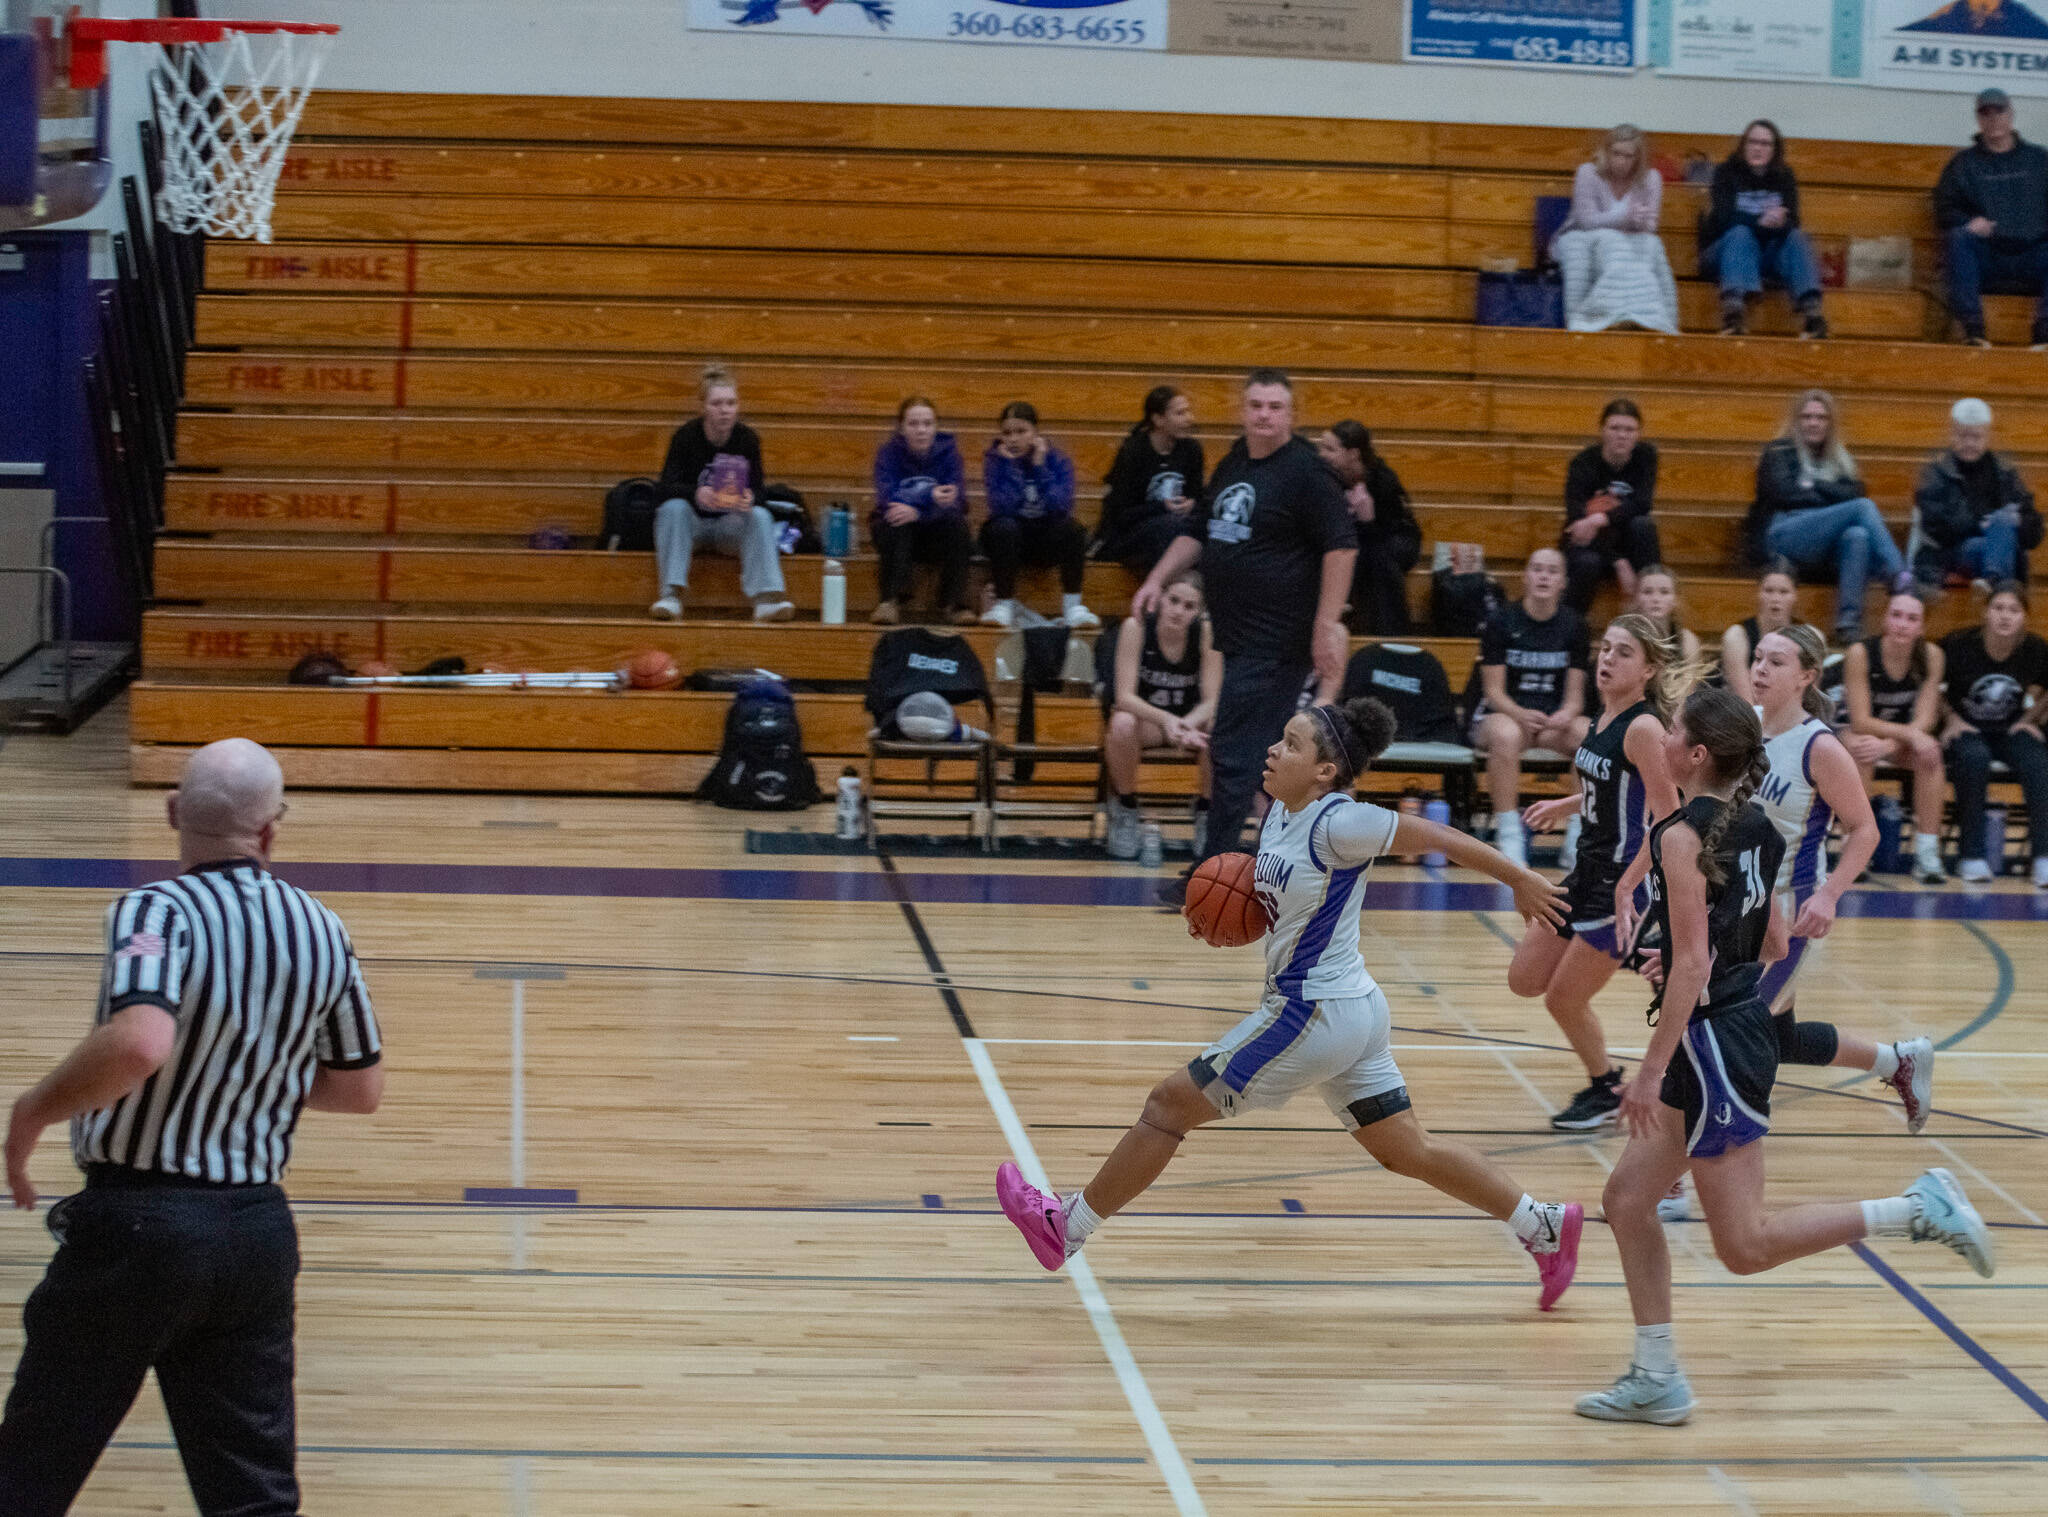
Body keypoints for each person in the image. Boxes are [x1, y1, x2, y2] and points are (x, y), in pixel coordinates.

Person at [996, 698, 1589, 1313]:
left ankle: (1065, 1228)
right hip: (1352, 1009)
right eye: (1280, 737)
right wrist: (1202, 909)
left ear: (1326, 770)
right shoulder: (1281, 810)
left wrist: (1519, 878)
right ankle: (1543, 1224)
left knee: (1167, 1105)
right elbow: (1264, 891)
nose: (1275, 750)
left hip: (1313, 1013)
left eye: (1292, 743)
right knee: (1407, 1149)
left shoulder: (1342, 821)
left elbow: (1438, 836)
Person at [1574, 685, 1993, 1427]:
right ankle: (1656, 1374)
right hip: (1732, 1027)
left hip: (1713, 1047)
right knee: (1627, 1200)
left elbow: (1699, 965)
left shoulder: (1681, 834)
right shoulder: (1763, 825)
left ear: (1696, 754)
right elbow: (1770, 943)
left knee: (1745, 1244)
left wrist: (1644, 1068)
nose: (1663, 735)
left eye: (1673, 729)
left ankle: (1916, 1208)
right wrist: (1683, 956)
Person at [0, 739, 384, 1515]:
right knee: (252, 1495)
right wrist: (252, 1064)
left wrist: (32, 1109)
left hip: (138, 1228)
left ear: (174, 811)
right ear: (271, 829)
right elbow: (358, 1087)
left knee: (30, 1473)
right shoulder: (323, 928)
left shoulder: (154, 909)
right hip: (256, 1234)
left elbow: (142, 1042)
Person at [1132, 369, 1357, 905]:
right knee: (1253, 756)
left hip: (1277, 640)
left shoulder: (1307, 472)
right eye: (1255, 404)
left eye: (1275, 406)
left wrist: (1326, 625)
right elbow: (1199, 531)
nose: (1264, 414)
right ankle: (1275, 866)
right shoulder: (1236, 458)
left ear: (1291, 413)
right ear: (1242, 408)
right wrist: (1156, 578)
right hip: (1237, 636)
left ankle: (1213, 874)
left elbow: (1341, 547)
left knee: (1235, 754)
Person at [1746, 625, 1934, 1127]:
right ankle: (1898, 1061)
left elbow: (1864, 831)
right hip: (1739, 904)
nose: (1760, 668)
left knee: (1736, 1028)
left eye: (1775, 662)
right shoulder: (1744, 728)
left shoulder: (1820, 747)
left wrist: (1828, 897)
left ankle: (1702, 1159)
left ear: (1807, 676)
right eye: (1757, 658)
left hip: (1790, 912)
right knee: (1777, 1036)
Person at [1510, 615, 1684, 1132]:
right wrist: (1568, 805)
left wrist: (1632, 883)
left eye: (1623, 652)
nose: (1607, 659)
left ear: (1649, 667)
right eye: (1605, 648)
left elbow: (1668, 816)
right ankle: (1644, 957)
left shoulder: (1644, 727)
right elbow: (1612, 789)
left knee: (1565, 997)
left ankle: (1605, 1086)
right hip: (1586, 870)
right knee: (1524, 979)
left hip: (1620, 883)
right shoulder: (1603, 718)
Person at [1744, 390, 1906, 643]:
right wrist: (1831, 494)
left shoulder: (1840, 458)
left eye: (1820, 418)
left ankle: (1848, 623)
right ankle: (1899, 576)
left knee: (1858, 535)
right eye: (1807, 417)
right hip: (1784, 535)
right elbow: (1782, 493)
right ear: (1796, 421)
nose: (1813, 423)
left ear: (1830, 423)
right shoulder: (1778, 451)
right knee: (1862, 508)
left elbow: (1855, 490)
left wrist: (1812, 486)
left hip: (1824, 546)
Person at [1471, 548, 1591, 867]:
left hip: (1551, 724)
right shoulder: (1500, 622)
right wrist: (1521, 714)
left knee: (1588, 733)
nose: (1544, 576)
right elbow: (1494, 692)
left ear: (1563, 581)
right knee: (1507, 735)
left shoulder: (1575, 626)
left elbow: (1576, 698)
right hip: (1505, 716)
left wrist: (1564, 715)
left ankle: (1578, 835)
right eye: (1537, 569)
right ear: (1525, 576)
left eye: (1552, 571)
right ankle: (1509, 833)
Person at [650, 363, 793, 623]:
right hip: (691, 526)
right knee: (672, 509)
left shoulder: (747, 439)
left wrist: (751, 498)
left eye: (730, 403)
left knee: (760, 515)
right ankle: (670, 595)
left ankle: (766, 599)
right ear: (703, 406)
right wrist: (696, 493)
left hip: (729, 526)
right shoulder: (685, 437)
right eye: (717, 404)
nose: (724, 411)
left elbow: (761, 490)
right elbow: (664, 488)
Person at [1102, 570, 1221, 860]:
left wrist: (1185, 724)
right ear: (1160, 600)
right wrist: (1166, 721)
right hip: (1150, 723)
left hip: (1189, 725)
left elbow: (1212, 702)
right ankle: (1127, 808)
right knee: (1121, 722)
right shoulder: (1137, 627)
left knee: (1219, 725)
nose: (1179, 611)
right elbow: (1124, 697)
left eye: (1189, 606)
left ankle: (1206, 812)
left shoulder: (1206, 633)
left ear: (1199, 612)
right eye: (1174, 601)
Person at [1940, 582, 2048, 886]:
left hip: (2010, 729)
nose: (2005, 616)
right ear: (1986, 612)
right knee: (1974, 758)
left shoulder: (2035, 649)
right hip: (1968, 727)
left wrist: (2031, 717)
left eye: (2013, 610)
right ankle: (1971, 856)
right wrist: (1949, 719)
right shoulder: (1960, 644)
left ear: (2024, 617)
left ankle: (2043, 857)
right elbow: (1929, 682)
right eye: (1998, 608)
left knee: (2037, 759)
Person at [1841, 589, 1949, 884]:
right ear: (1886, 621)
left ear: (1922, 627)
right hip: (1847, 731)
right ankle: (1855, 848)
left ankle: (1927, 852)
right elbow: (1860, 720)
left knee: (1931, 754)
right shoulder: (1860, 654)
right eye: (1896, 615)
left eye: (1912, 618)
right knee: (1862, 750)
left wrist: (1891, 743)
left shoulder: (1932, 656)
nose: (1903, 624)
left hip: (1895, 739)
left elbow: (1926, 717)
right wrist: (1900, 738)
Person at [1933, 88, 2048, 349]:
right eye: (1986, 113)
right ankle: (1974, 331)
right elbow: (1943, 208)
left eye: (1999, 112)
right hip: (1989, 258)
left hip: (2034, 254)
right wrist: (1967, 222)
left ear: (2011, 115)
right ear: (1978, 119)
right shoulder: (1963, 164)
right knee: (1959, 238)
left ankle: (2044, 334)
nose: (1993, 119)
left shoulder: (2039, 160)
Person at [1698, 120, 1826, 339]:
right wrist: (1760, 222)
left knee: (1797, 237)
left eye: (1765, 144)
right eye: (1753, 142)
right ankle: (1733, 315)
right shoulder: (1725, 173)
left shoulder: (1785, 176)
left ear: (1775, 149)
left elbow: (1793, 221)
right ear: (1743, 145)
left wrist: (1780, 222)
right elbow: (1722, 220)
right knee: (1740, 234)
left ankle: (1813, 316)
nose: (1758, 148)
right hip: (1723, 252)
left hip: (1765, 254)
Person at [1551, 124, 1679, 335]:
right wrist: (1625, 217)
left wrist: (1638, 222)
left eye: (1629, 156)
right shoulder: (1588, 173)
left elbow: (1651, 225)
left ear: (1638, 158)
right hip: (1581, 236)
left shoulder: (1651, 179)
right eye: (1616, 154)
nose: (1621, 161)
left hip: (1631, 236)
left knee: (1653, 248)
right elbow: (1586, 221)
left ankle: (1655, 319)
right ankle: (1592, 319)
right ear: (1606, 152)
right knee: (1607, 245)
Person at [980, 401, 1097, 630]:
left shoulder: (1057, 460)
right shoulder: (996, 460)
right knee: (1003, 527)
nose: (1013, 439)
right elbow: (1002, 507)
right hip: (1010, 542)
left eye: (1021, 431)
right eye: (1007, 433)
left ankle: (1073, 606)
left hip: (1043, 540)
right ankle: (1004, 604)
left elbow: (1060, 507)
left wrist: (1040, 468)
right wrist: (1011, 467)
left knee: (1073, 529)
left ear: (1036, 433)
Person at [1913, 398, 2041, 591]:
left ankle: (1992, 581)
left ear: (1987, 436)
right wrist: (1983, 525)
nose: (1969, 443)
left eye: (1976, 437)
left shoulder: (2004, 472)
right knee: (1988, 536)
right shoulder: (1936, 472)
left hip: (2004, 548)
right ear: (1952, 434)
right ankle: (1998, 588)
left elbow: (2034, 531)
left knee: (2004, 521)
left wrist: (2017, 522)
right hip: (1955, 553)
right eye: (1963, 436)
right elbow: (1936, 527)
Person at [870, 396, 974, 627]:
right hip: (897, 533)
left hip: (933, 531)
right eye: (914, 424)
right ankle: (889, 601)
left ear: (936, 427)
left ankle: (953, 603)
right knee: (896, 519)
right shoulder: (888, 453)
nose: (921, 430)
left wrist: (920, 512)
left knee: (957, 526)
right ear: (901, 427)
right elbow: (888, 498)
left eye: (927, 424)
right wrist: (929, 497)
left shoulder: (950, 455)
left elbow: (957, 502)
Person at [1316, 419, 1421, 634]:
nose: (1322, 454)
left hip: (1394, 541)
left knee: (1378, 562)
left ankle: (1390, 635)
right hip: (1360, 541)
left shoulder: (1382, 482)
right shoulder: (1327, 477)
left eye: (1330, 449)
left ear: (1353, 454)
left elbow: (1388, 534)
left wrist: (1368, 521)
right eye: (1321, 447)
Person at [1561, 399, 1662, 614]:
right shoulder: (1582, 463)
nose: (1622, 435)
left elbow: (1642, 504)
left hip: (1628, 542)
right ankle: (1571, 625)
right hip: (1594, 546)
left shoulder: (1646, 457)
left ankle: (1655, 617)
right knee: (1587, 562)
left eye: (1629, 429)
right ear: (1602, 431)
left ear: (1638, 434)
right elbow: (1576, 520)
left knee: (1642, 526)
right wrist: (1618, 562)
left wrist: (1601, 518)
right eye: (1615, 428)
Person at [1095, 385, 1205, 576]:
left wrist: (1192, 504)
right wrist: (1163, 507)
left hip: (1173, 529)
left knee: (1197, 529)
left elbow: (1197, 495)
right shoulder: (1134, 452)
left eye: (1188, 411)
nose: (1190, 419)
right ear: (1158, 419)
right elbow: (1120, 515)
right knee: (1167, 528)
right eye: (1180, 413)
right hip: (1128, 536)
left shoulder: (1191, 450)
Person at [1718, 559, 1799, 702]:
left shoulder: (1809, 636)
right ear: (1758, 593)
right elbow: (1747, 705)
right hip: (1745, 716)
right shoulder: (1737, 636)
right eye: (1769, 591)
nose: (1775, 599)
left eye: (1784, 592)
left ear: (1795, 596)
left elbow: (1809, 703)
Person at [1632, 565, 1701, 669]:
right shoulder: (1623, 637)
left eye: (1664, 592)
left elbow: (1687, 684)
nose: (1655, 599)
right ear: (1637, 598)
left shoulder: (1687, 640)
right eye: (1647, 592)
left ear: (1675, 600)